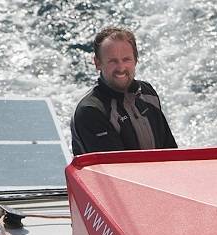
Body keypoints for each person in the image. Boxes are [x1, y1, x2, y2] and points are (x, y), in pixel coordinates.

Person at [71, 27, 177, 155]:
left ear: (136, 60)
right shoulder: (91, 110)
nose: (121, 68)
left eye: (126, 59)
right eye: (113, 61)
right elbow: (114, 168)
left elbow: (171, 152)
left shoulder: (148, 94)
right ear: (97, 63)